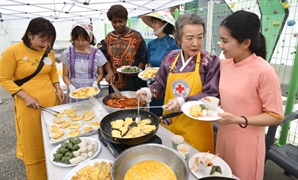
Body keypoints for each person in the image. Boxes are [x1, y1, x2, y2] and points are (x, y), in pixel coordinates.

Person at [136, 12, 220, 152]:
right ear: (178, 39)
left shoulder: (210, 61)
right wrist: (149, 91)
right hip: (170, 121)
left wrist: (183, 101)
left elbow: (212, 94)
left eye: (200, 37)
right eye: (189, 38)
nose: (195, 43)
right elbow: (160, 83)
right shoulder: (170, 58)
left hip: (196, 127)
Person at [216, 10, 284, 179]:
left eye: (225, 41)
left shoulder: (264, 72)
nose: (220, 45)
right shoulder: (225, 65)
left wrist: (240, 119)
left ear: (245, 43)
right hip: (224, 137)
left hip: (247, 145)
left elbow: (276, 115)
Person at [0, 17, 65, 180]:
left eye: (49, 41)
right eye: (42, 39)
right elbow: (3, 78)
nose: (45, 44)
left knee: (55, 137)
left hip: (51, 102)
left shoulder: (47, 50)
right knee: (34, 143)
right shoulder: (13, 51)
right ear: (30, 34)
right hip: (28, 106)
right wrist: (25, 96)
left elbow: (51, 71)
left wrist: (57, 88)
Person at [141, 9, 181, 116]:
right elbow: (149, 64)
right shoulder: (151, 44)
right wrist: (148, 74)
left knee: (167, 114)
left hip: (168, 85)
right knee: (154, 114)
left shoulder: (173, 44)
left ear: (165, 24)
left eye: (156, 22)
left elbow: (179, 66)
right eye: (152, 23)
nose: (153, 25)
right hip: (153, 85)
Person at [101, 4, 148, 93]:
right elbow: (105, 58)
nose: (117, 25)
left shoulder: (136, 36)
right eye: (114, 22)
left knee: (133, 103)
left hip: (133, 82)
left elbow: (144, 57)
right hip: (114, 82)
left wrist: (137, 70)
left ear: (126, 20)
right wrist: (109, 72)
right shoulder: (109, 37)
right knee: (115, 103)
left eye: (120, 21)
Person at [60, 22, 107, 103]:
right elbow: (65, 75)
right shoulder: (67, 53)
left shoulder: (97, 53)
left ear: (90, 38)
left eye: (84, 40)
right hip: (75, 92)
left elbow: (101, 73)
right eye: (77, 40)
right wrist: (70, 86)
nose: (80, 43)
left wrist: (96, 83)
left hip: (93, 91)